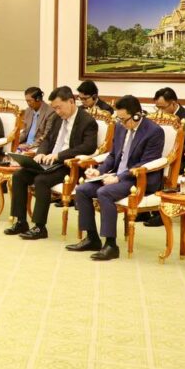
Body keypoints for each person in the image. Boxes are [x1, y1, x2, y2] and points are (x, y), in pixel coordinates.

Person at [69, 95, 165, 261]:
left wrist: (119, 178)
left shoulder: (154, 132)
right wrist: (99, 171)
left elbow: (146, 162)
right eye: (118, 119)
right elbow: (113, 155)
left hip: (138, 179)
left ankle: (111, 245)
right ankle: (92, 238)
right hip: (116, 175)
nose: (121, 123)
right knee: (82, 189)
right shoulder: (120, 127)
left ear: (137, 116)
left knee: (104, 192)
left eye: (123, 119)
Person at [4, 86, 99, 240]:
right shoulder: (57, 118)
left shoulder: (87, 121)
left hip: (68, 165)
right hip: (49, 162)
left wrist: (58, 156)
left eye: (59, 107)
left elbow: (88, 147)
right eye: (54, 108)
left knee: (41, 180)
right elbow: (47, 139)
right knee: (19, 175)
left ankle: (40, 227)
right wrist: (41, 153)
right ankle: (21, 221)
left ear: (71, 101)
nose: (57, 111)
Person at [143, 87, 185, 226]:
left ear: (174, 103)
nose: (160, 111)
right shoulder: (156, 118)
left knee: (159, 170)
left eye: (163, 107)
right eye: (157, 107)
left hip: (179, 159)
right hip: (157, 156)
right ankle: (144, 210)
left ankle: (161, 213)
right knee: (141, 166)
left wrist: (173, 151)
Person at [20, 86, 56, 151]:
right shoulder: (28, 110)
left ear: (38, 99)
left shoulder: (50, 112)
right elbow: (24, 132)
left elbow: (46, 136)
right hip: (24, 145)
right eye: (27, 101)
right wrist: (15, 142)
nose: (28, 104)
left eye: (30, 101)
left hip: (38, 147)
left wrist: (30, 146)